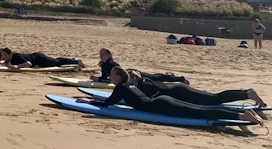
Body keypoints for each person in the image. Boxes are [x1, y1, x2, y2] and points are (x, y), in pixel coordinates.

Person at [78, 67, 264, 126]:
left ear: (118, 77)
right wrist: (99, 100)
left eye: (111, 75)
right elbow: (112, 101)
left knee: (199, 113)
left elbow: (108, 104)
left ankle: (242, 115)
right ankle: (243, 113)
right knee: (199, 109)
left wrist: (90, 101)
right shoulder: (128, 86)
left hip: (161, 106)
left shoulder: (121, 87)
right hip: (162, 101)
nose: (109, 77)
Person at [124, 70, 266, 108]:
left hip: (180, 92)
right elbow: (161, 77)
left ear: (134, 78)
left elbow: (152, 97)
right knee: (214, 97)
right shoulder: (145, 80)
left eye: (128, 80)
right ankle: (246, 93)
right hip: (178, 88)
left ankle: (247, 94)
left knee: (214, 99)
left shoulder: (143, 84)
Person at [91, 48, 189, 84]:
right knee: (154, 77)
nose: (101, 56)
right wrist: (98, 79)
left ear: (109, 55)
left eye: (103, 54)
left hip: (133, 74)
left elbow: (116, 78)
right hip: (129, 75)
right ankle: (175, 78)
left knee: (155, 78)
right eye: (100, 54)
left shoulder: (112, 64)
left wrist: (97, 80)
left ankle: (179, 79)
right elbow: (106, 78)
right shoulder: (104, 65)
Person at [0, 47, 85, 69]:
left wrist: (18, 66)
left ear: (10, 54)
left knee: (57, 62)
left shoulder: (16, 57)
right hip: (37, 57)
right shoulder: (10, 59)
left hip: (39, 59)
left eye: (5, 56)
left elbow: (28, 64)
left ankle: (77, 62)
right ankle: (72, 60)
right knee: (55, 60)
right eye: (3, 56)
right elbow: (5, 63)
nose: (4, 58)